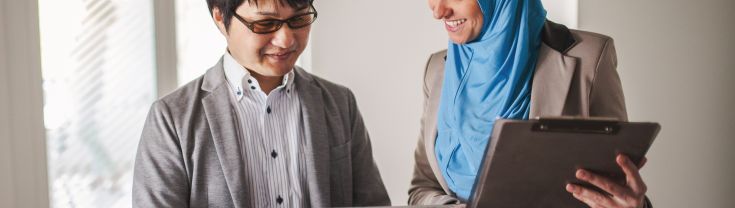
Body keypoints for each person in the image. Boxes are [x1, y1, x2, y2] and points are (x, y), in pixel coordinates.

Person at [132, 0, 390, 207]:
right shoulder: (171, 120)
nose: (286, 40)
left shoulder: (339, 104)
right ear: (220, 17)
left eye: (299, 19)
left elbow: (373, 203)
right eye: (266, 23)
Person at [408, 0, 652, 207]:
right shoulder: (437, 70)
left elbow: (618, 188)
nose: (438, 11)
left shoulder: (590, 59)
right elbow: (422, 188)